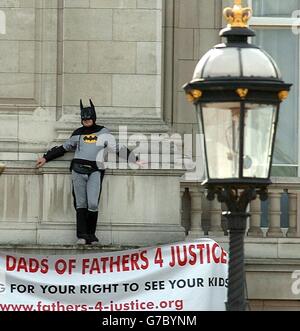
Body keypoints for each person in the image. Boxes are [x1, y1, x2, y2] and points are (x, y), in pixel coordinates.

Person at [36, 99, 141, 245]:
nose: (86, 121)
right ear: (81, 119)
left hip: (95, 171)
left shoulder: (104, 132)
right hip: (78, 170)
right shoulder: (77, 133)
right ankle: (82, 236)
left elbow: (116, 148)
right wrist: (46, 158)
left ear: (94, 117)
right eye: (84, 119)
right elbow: (64, 148)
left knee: (92, 203)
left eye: (89, 118)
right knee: (80, 204)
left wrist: (133, 159)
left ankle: (91, 235)